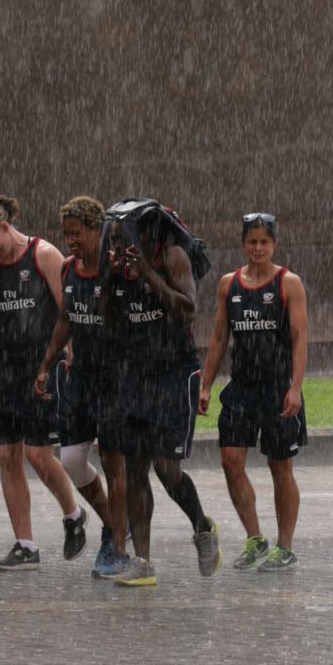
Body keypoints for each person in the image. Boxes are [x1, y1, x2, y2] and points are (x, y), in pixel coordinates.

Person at [98, 199, 221, 589]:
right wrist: (113, 280)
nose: (116, 246)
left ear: (142, 234)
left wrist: (148, 274)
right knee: (135, 469)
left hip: (174, 374)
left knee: (167, 470)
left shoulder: (172, 256)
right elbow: (109, 321)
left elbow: (187, 309)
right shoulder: (119, 266)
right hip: (135, 374)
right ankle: (144, 561)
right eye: (112, 239)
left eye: (121, 238)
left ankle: (202, 526)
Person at [0, 195, 87, 570]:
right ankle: (25, 545)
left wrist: (70, 354)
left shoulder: (44, 255)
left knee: (38, 454)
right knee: (7, 454)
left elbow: (68, 311)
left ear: (4, 228)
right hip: (5, 365)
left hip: (41, 366)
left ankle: (73, 513)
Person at [198, 211, 308, 571]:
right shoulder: (229, 284)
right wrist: (206, 385)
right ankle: (255, 537)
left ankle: (285, 545)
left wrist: (295, 388)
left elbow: (299, 339)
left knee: (281, 468)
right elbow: (218, 338)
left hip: (278, 390)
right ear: (243, 244)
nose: (258, 247)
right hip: (241, 388)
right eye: (252, 241)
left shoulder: (288, 283)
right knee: (230, 461)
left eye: (264, 241)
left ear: (274, 244)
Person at [32, 196, 117, 573]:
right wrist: (46, 364)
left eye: (77, 232)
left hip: (114, 379)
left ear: (97, 230)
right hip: (80, 379)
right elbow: (66, 319)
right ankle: (113, 523)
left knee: (116, 463)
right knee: (70, 459)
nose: (70, 240)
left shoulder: (115, 271)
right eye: (66, 233)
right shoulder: (68, 269)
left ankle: (118, 540)